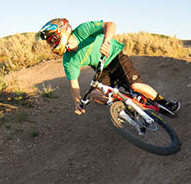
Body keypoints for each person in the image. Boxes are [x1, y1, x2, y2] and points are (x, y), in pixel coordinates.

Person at [36, 18, 180, 116]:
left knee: (135, 86)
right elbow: (74, 83)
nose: (51, 44)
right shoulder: (68, 60)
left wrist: (106, 41)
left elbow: (110, 25)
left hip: (116, 57)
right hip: (102, 69)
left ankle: (164, 102)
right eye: (49, 42)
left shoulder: (82, 30)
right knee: (95, 95)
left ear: (63, 31)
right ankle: (124, 105)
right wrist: (77, 103)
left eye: (52, 39)